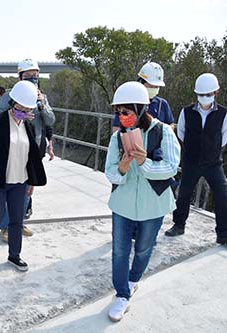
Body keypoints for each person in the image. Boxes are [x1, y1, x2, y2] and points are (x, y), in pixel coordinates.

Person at [105, 81, 180, 322]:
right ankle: (122, 295)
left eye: (126, 112)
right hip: (123, 203)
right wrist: (123, 167)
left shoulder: (163, 132)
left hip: (153, 204)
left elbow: (171, 167)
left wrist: (144, 163)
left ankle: (133, 279)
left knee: (144, 248)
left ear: (140, 109)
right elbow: (110, 173)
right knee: (119, 252)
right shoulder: (118, 138)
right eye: (118, 112)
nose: (121, 117)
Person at [0, 81, 47, 272]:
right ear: (13, 103)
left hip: (20, 182)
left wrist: (32, 181)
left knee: (17, 221)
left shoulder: (27, 125)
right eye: (21, 107)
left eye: (27, 108)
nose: (23, 110)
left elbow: (31, 156)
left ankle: (14, 255)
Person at [165, 73, 227, 245]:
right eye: (201, 94)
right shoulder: (186, 112)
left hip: (213, 163)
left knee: (222, 196)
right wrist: (192, 152)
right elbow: (181, 133)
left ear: (216, 93)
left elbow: (224, 137)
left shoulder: (224, 114)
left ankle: (223, 234)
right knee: (183, 194)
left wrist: (211, 152)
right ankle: (179, 225)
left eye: (208, 94)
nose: (204, 97)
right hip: (191, 161)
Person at [0, 59, 56, 241]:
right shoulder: (9, 96)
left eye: (35, 75)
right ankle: (6, 227)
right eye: (28, 75)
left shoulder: (42, 97)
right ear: (20, 76)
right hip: (13, 148)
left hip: (34, 148)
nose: (33, 78)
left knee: (28, 189)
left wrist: (42, 105)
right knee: (14, 187)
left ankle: (19, 222)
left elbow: (50, 121)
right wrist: (15, 111)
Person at [112, 62, 174, 133]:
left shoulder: (162, 104)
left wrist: (164, 131)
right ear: (141, 82)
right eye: (151, 86)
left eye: (156, 87)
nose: (154, 89)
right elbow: (116, 129)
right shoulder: (128, 103)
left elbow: (171, 124)